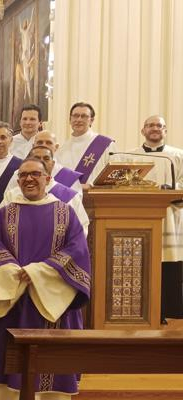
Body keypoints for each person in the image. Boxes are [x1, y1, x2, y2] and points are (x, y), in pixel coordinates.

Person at [0, 158, 91, 400]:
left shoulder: (65, 212)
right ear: (17, 181)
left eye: (35, 174)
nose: (29, 179)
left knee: (52, 362)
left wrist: (38, 272)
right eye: (23, 175)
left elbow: (78, 249)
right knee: (12, 363)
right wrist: (14, 272)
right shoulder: (5, 213)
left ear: (48, 179)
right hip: (15, 297)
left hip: (55, 300)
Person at [112, 115, 183, 321]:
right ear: (143, 130)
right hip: (138, 218)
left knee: (169, 266)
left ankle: (171, 313)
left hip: (170, 218)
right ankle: (140, 312)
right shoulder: (127, 156)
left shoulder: (178, 155)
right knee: (140, 265)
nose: (155, 129)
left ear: (165, 131)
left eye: (159, 126)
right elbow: (120, 185)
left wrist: (172, 189)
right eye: (150, 125)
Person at [2, 146, 89, 235]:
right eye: (36, 158)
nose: (42, 162)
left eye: (46, 159)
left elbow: (81, 230)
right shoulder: (12, 195)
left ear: (53, 163)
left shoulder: (70, 197)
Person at [56, 102, 115, 187]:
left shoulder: (106, 145)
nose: (79, 120)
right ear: (70, 119)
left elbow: (115, 176)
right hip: (69, 199)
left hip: (97, 197)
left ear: (91, 120)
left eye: (84, 116)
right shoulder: (61, 149)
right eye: (75, 116)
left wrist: (91, 186)